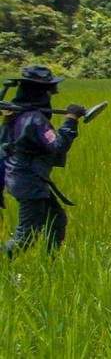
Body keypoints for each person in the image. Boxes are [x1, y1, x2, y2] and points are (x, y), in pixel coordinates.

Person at [1, 66, 86, 258]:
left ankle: (51, 263)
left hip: (22, 177)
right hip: (28, 181)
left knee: (56, 220)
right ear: (42, 91)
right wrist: (71, 120)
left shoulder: (16, 114)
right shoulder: (34, 119)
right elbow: (56, 146)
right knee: (26, 235)